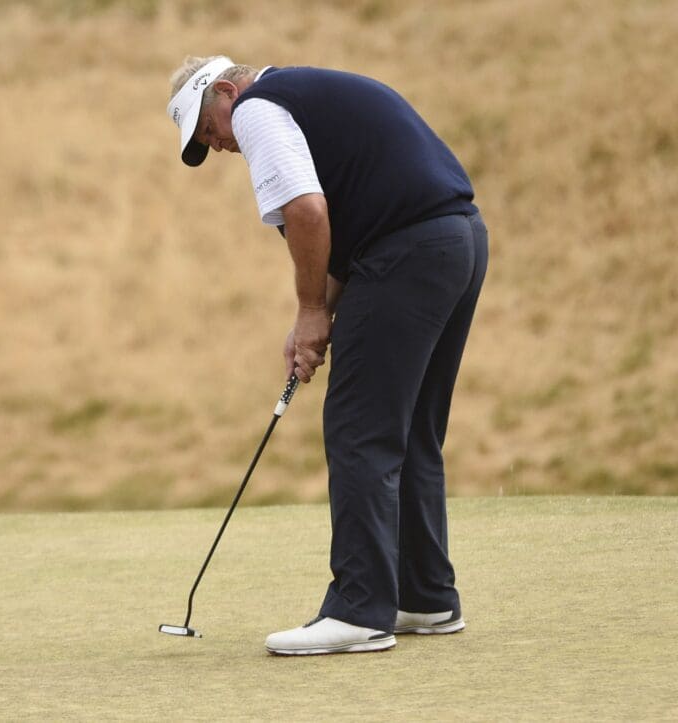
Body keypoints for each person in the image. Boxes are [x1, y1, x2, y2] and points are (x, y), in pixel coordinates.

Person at [165, 56, 488, 655]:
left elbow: (308, 212)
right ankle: (425, 596)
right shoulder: (303, 92)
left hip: (408, 253)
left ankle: (360, 608)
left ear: (227, 93)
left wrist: (314, 311)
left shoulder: (259, 108)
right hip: (456, 240)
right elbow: (345, 228)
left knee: (358, 429)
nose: (218, 147)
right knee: (410, 427)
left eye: (210, 131)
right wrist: (312, 315)